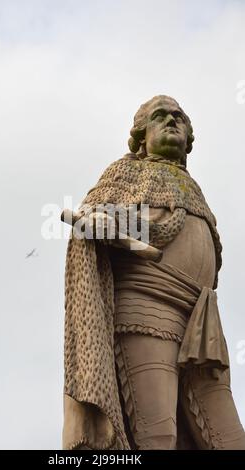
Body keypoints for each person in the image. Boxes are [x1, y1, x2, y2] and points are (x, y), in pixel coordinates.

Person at [62, 95, 245, 450]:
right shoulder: (126, 172)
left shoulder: (191, 188)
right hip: (147, 308)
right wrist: (104, 220)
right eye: (160, 117)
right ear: (142, 136)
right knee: (157, 433)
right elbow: (97, 215)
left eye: (179, 117)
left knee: (229, 439)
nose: (172, 121)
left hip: (201, 322)